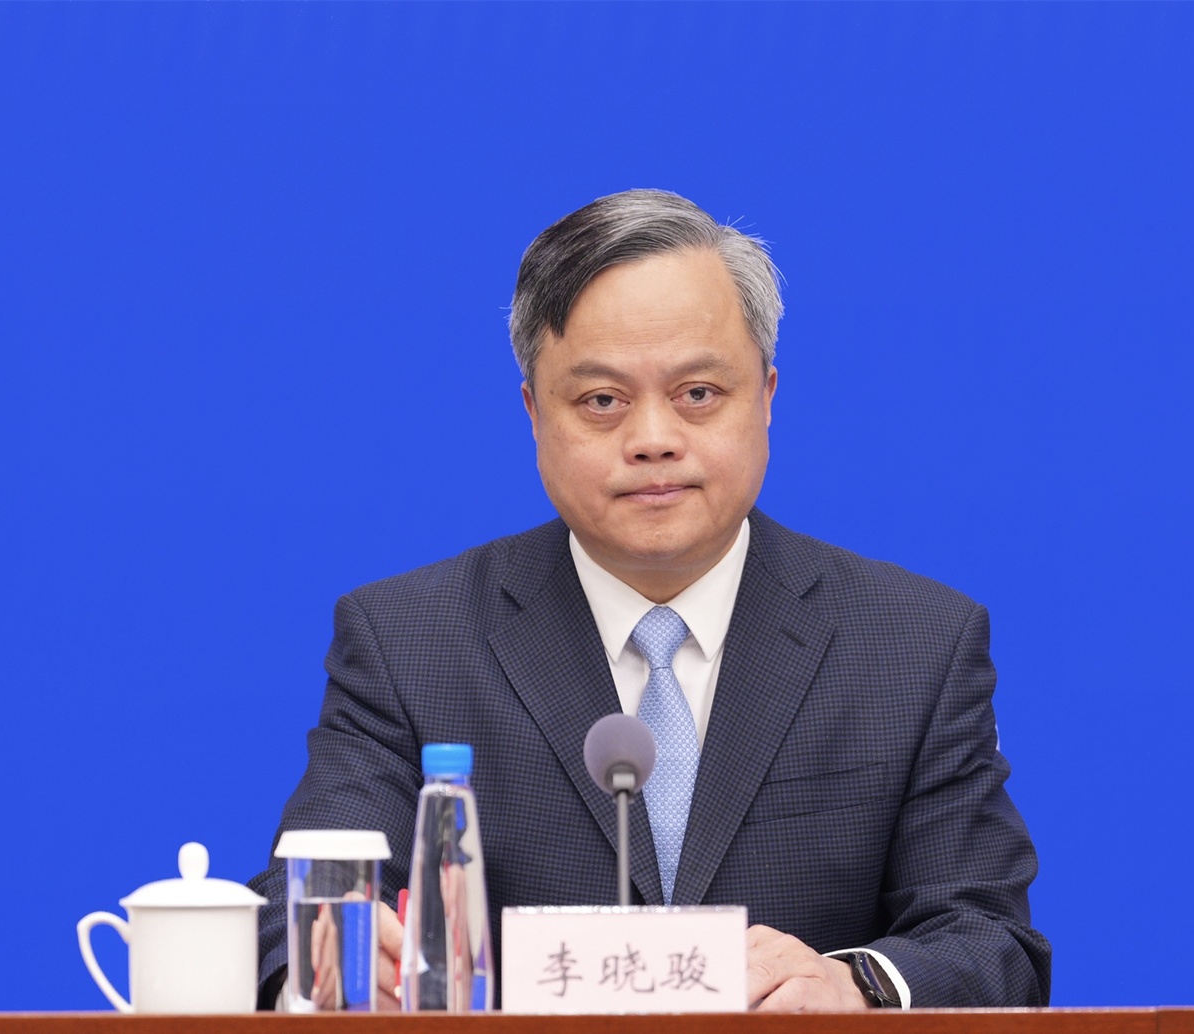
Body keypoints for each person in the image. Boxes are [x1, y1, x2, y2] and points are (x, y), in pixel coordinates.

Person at [247, 189, 1051, 1011]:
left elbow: (989, 939)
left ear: (767, 396)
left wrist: (857, 986)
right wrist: (332, 960)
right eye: (602, 401)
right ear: (534, 413)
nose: (654, 439)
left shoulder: (914, 644)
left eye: (698, 393)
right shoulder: (410, 641)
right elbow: (287, 906)